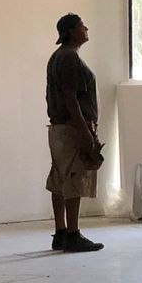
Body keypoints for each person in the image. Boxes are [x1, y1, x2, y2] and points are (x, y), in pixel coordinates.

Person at [45, 13, 104, 253]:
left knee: (59, 179)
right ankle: (72, 234)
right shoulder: (69, 57)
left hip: (61, 127)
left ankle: (60, 233)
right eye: (81, 25)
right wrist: (86, 132)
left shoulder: (58, 57)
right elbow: (71, 99)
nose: (86, 28)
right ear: (71, 31)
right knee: (73, 179)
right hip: (71, 128)